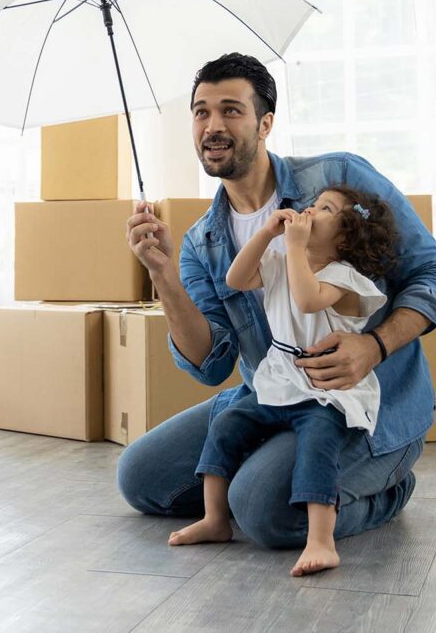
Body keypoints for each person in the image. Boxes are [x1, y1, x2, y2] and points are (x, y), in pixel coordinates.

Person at [120, 52, 436, 552]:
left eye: (231, 109)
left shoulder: (337, 181)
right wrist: (163, 276)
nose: (213, 125)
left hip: (357, 404)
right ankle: (265, 469)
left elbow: (435, 276)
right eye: (201, 111)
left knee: (265, 511)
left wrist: (375, 346)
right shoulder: (200, 242)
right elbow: (211, 365)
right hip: (271, 393)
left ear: (265, 122)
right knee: (142, 477)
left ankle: (387, 489)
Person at [168, 186, 397, 578]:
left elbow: (308, 299)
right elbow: (236, 278)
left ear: (342, 239)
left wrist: (294, 247)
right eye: (314, 203)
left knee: (317, 445)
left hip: (325, 392)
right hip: (279, 378)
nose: (309, 209)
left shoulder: (345, 279)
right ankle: (215, 518)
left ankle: (321, 540)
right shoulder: (279, 258)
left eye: (324, 209)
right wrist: (266, 235)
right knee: (227, 425)